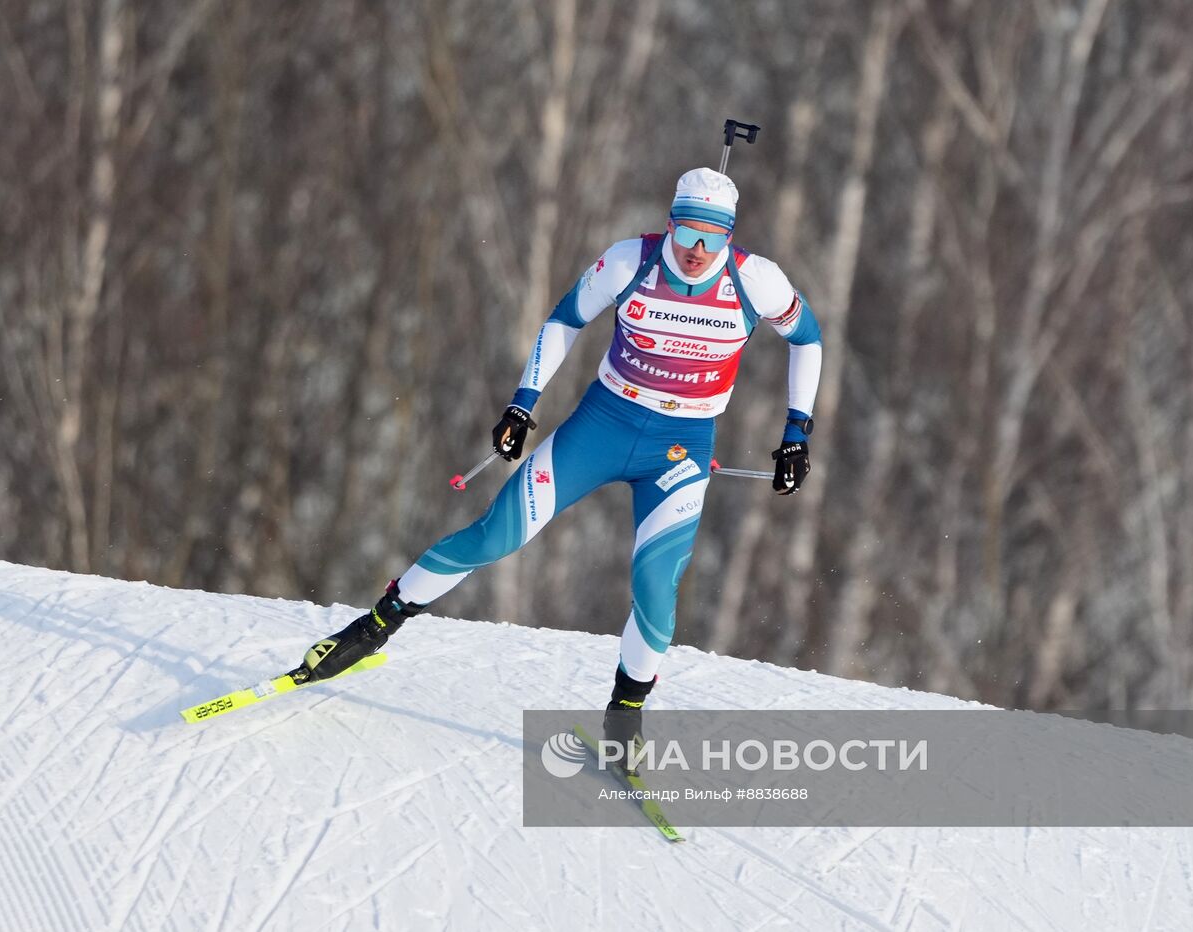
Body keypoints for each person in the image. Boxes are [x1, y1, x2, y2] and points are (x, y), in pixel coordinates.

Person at [294, 167, 822, 753]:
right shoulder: (630, 262)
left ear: (730, 237)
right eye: (688, 232)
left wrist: (797, 431)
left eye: (712, 238)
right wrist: (523, 405)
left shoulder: (757, 281)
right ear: (670, 223)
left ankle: (624, 720)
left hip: (680, 447)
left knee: (655, 589)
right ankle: (374, 624)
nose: (697, 250)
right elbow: (566, 320)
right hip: (603, 425)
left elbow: (808, 339)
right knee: (497, 537)